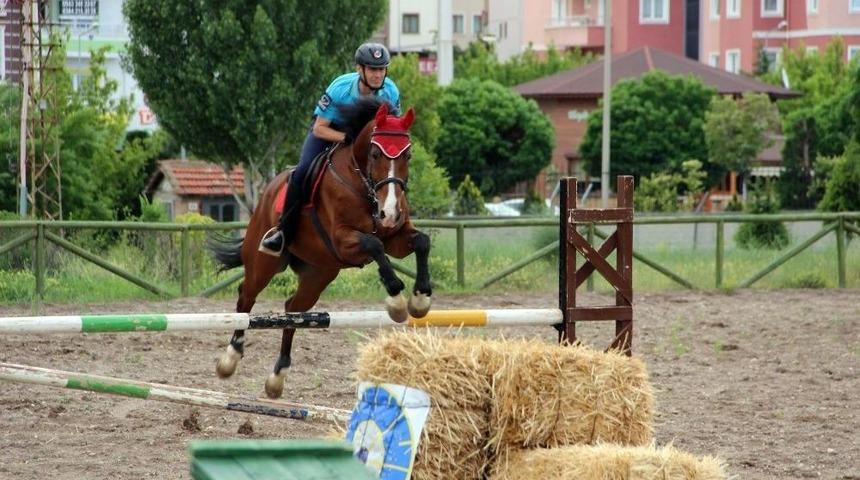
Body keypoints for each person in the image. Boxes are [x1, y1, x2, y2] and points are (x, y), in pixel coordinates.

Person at [259, 42, 401, 256]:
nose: (378, 75)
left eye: (381, 69)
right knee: (303, 171)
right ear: (359, 69)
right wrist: (346, 138)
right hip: (331, 133)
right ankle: (283, 233)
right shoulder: (340, 88)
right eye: (372, 69)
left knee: (393, 169)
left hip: (367, 143)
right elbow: (319, 128)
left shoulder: (391, 90)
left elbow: (392, 129)